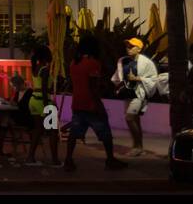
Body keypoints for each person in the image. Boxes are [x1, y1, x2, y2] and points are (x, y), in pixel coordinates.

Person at [64, 35, 127, 172]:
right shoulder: (93, 63)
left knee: (74, 134)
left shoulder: (73, 63)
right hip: (91, 104)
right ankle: (110, 160)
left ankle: (68, 160)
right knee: (105, 133)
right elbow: (92, 88)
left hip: (77, 103)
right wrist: (99, 105)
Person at [111, 37, 159, 156]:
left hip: (139, 95)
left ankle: (137, 147)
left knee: (129, 118)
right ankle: (138, 147)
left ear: (139, 49)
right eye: (127, 46)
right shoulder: (124, 60)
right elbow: (118, 75)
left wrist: (137, 78)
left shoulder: (146, 63)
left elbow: (154, 79)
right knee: (135, 120)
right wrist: (118, 83)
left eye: (131, 46)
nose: (128, 48)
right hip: (128, 94)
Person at [23, 45, 60, 166]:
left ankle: (30, 157)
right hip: (43, 101)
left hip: (33, 100)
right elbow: (45, 88)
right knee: (53, 131)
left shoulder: (35, 68)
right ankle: (55, 160)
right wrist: (48, 105)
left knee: (37, 130)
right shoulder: (44, 69)